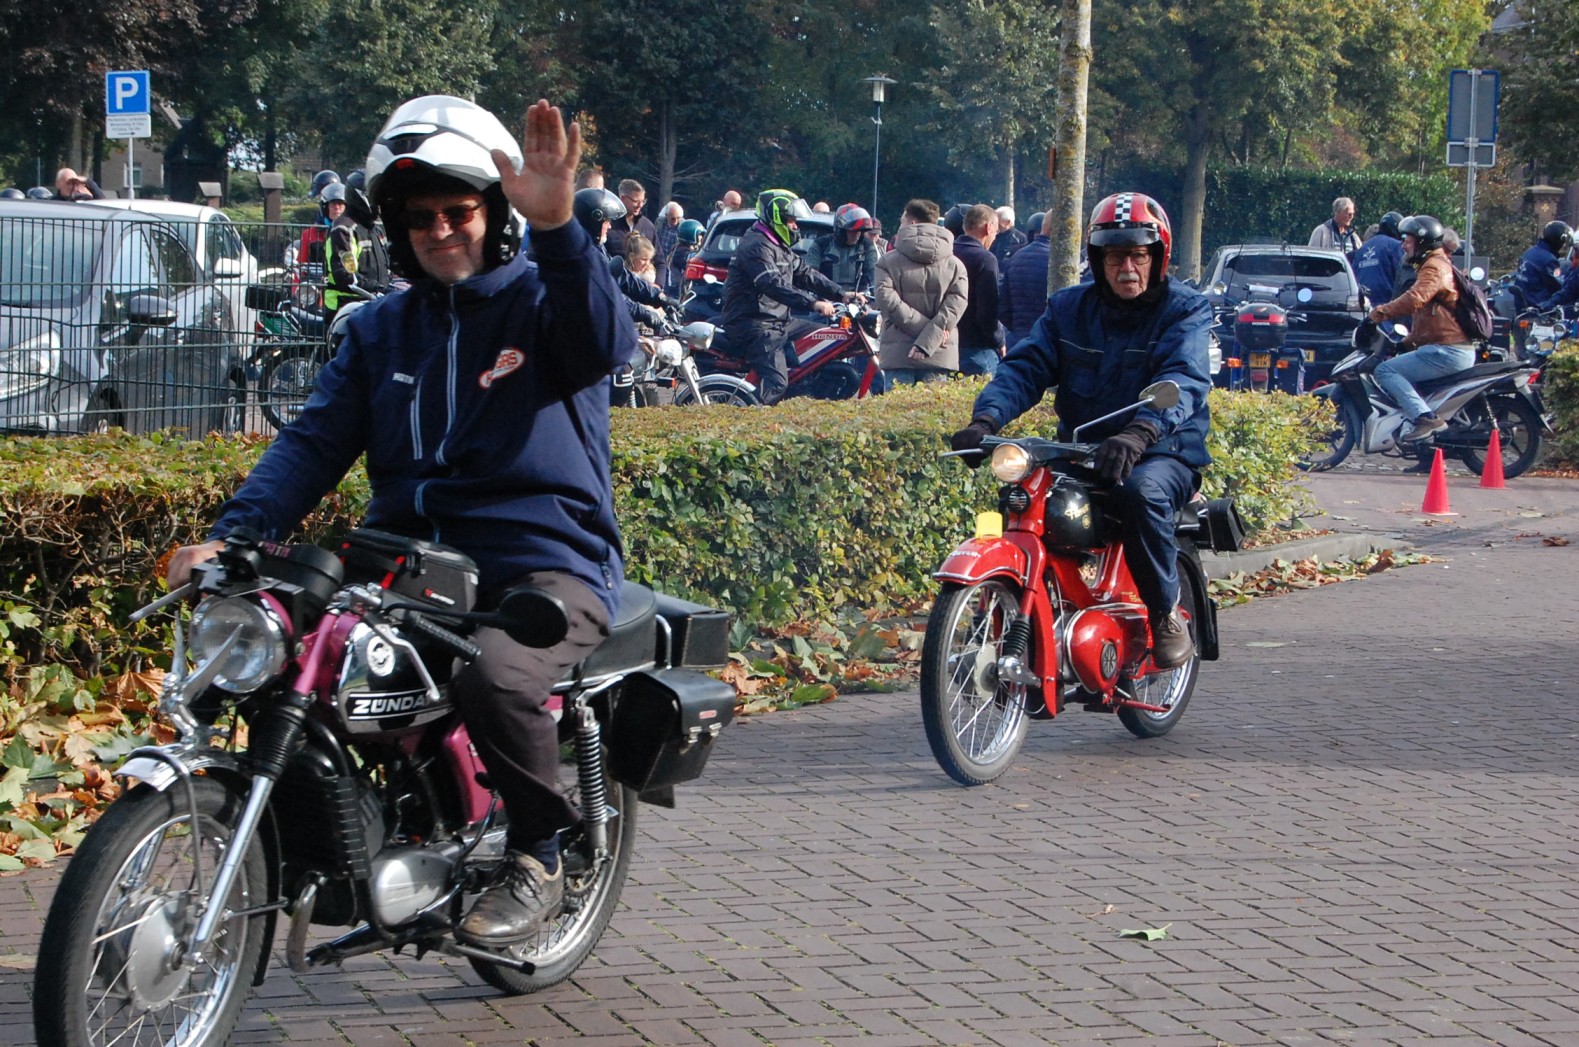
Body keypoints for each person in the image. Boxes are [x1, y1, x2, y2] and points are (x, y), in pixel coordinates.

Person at [164, 94, 634, 948]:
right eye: (420, 217)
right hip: (404, 562)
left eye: (458, 210)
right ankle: (348, 830)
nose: (439, 229)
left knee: (495, 677)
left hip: (542, 563)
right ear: (395, 229)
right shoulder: (380, 330)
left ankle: (539, 851)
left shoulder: (544, 306)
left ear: (494, 217)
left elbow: (606, 339)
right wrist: (235, 537)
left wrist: (559, 227)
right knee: (283, 648)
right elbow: (311, 445)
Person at [949, 191, 1212, 669]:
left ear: (1158, 257)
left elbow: (1184, 377)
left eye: (1138, 255)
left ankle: (1164, 614)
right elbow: (1025, 367)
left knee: (1140, 493)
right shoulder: (1069, 308)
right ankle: (1017, 615)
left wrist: (1140, 433)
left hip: (1163, 450)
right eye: (1114, 256)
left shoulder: (1184, 309)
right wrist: (985, 419)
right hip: (1085, 447)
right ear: (1098, 259)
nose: (1126, 268)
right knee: (1023, 496)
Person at [718, 188, 858, 404]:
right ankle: (746, 415)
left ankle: (807, 395)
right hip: (753, 324)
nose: (795, 226)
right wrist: (813, 304)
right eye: (791, 220)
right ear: (776, 218)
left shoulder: (777, 244)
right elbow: (772, 283)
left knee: (830, 339)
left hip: (779, 321)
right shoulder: (756, 245)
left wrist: (842, 294)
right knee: (777, 383)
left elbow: (805, 273)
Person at [1365, 214, 1473, 443]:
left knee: (1385, 371)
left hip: (1447, 350)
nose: (1403, 245)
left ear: (1423, 242)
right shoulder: (1434, 264)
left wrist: (1377, 314)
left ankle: (1426, 419)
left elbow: (1415, 299)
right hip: (1444, 346)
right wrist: (1406, 343)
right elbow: (1428, 319)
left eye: (1408, 240)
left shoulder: (1434, 267)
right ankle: (1424, 443)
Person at [874, 198, 968, 386]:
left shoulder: (887, 262)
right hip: (939, 351)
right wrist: (930, 336)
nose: (900, 226)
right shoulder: (956, 265)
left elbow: (886, 300)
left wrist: (923, 332)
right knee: (933, 404)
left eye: (902, 221)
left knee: (896, 404)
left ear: (912, 223)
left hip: (898, 353)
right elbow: (956, 306)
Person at [323, 184, 391, 325]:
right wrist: (378, 288)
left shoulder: (375, 228)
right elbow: (345, 275)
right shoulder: (343, 229)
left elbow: (389, 264)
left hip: (374, 304)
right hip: (347, 308)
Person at [953, 203, 1004, 377]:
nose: (994, 237)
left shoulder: (946, 254)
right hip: (977, 348)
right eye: (996, 231)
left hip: (946, 347)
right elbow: (987, 312)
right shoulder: (986, 259)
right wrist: (999, 340)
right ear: (988, 227)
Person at [998, 209, 1054, 347]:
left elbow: (1003, 306)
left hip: (1018, 340)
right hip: (1048, 340)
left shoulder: (1016, 257)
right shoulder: (1058, 262)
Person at [804, 204, 879, 293]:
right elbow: (811, 273)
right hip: (826, 296)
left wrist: (877, 293)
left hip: (859, 297)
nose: (856, 235)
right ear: (841, 230)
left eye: (859, 231)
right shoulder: (821, 244)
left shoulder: (867, 246)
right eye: (852, 231)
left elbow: (874, 272)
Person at [1351, 210, 1405, 309]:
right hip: (1388, 307)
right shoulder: (1396, 246)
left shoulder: (1361, 249)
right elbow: (1404, 274)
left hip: (1364, 307)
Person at [1512, 221, 1572, 308]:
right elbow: (1559, 286)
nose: (1564, 244)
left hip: (1521, 304)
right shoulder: (1549, 260)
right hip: (1539, 306)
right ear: (1560, 240)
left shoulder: (1530, 252)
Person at [604, 178, 655, 258]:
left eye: (643, 201)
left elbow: (659, 261)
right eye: (636, 201)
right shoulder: (607, 225)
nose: (640, 205)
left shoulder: (648, 226)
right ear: (623, 198)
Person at [1535, 241, 1579, 315]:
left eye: (1576, 249)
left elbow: (1569, 291)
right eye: (1575, 249)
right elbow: (1568, 288)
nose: (1574, 253)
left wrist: (1551, 303)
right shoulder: (1572, 267)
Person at [653, 202, 685, 293]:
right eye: (673, 218)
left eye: (678, 218)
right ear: (666, 216)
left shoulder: (683, 227)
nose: (675, 221)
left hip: (673, 265)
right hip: (659, 262)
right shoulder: (660, 223)